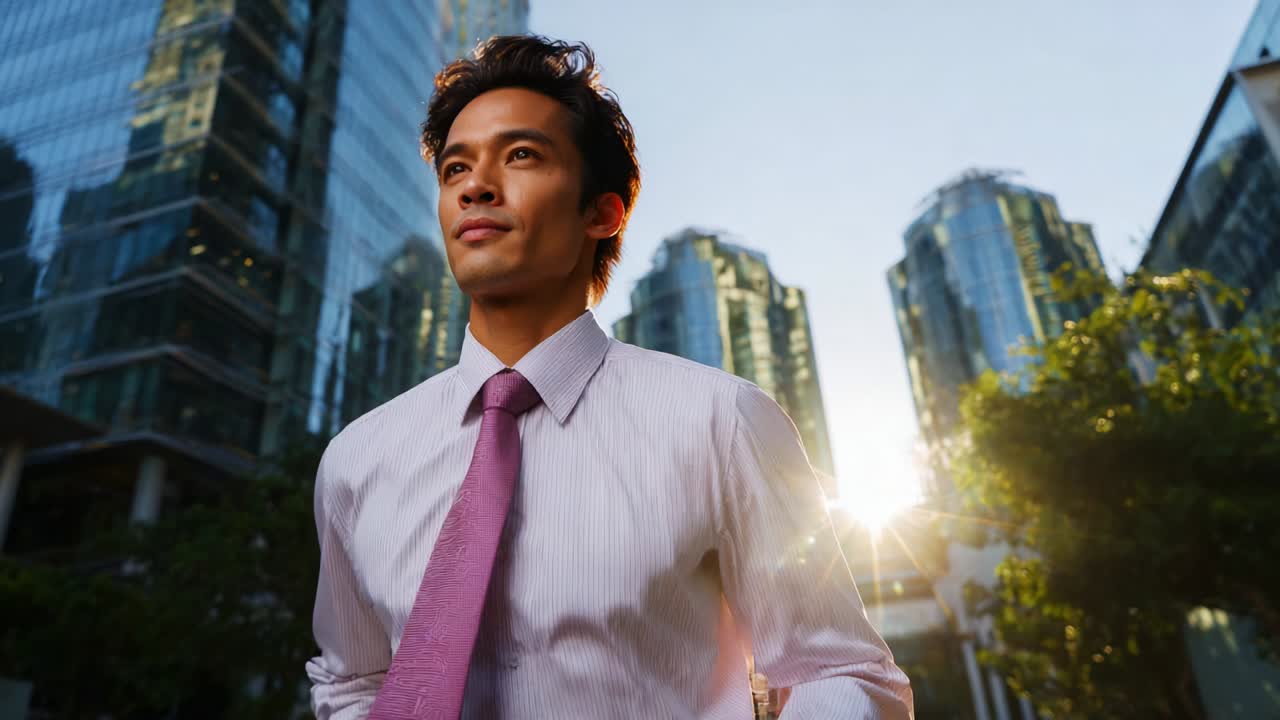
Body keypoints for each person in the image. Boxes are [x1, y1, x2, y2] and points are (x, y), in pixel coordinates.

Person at [306, 34, 912, 719]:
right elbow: (352, 680)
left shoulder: (721, 421)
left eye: (521, 156)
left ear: (603, 212)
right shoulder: (356, 462)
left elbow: (840, 672)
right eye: (454, 169)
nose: (475, 185)